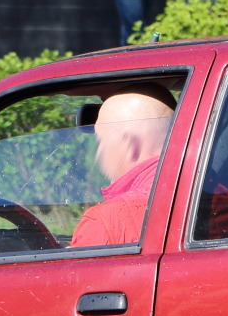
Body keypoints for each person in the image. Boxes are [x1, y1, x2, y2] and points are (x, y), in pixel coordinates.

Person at [68, 85, 176, 248]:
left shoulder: (105, 222)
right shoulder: (218, 194)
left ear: (129, 144)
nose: (98, 154)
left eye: (101, 141)